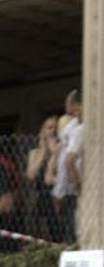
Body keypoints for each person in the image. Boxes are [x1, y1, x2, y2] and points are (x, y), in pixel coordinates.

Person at [51, 89, 82, 243]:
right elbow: (68, 161)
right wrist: (77, 183)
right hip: (76, 189)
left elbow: (67, 161)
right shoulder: (76, 129)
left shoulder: (76, 128)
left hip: (70, 189)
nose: (70, 111)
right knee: (77, 233)